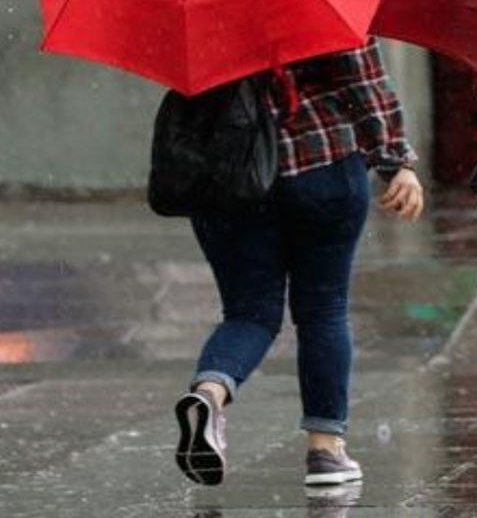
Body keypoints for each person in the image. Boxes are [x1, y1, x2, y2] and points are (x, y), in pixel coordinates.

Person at [173, 38, 425, 487]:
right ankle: (325, 451)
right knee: (323, 310)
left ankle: (209, 395)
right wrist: (395, 161)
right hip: (321, 163)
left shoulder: (195, 0)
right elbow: (362, 80)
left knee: (249, 312)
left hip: (231, 176)